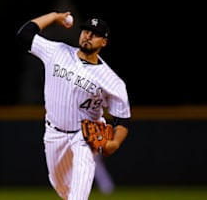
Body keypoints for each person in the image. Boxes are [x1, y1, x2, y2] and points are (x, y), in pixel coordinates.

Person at [16, 11, 131, 200]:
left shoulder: (112, 81)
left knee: (78, 196)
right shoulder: (57, 51)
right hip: (54, 134)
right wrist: (54, 17)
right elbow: (25, 34)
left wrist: (115, 142)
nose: (88, 35)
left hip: (85, 136)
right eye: (86, 31)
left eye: (95, 34)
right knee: (62, 188)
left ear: (103, 42)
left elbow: (123, 118)